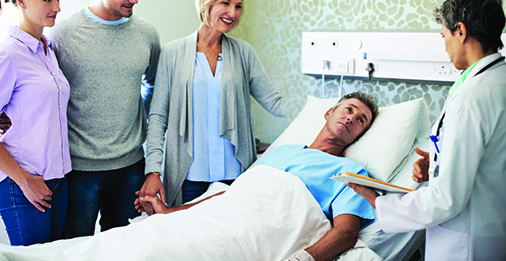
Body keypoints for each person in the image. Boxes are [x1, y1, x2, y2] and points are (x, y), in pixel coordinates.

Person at [350, 0, 506, 260]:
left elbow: (447, 200)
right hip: (491, 230)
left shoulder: (472, 97)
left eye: (444, 36)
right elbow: (491, 159)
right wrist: (437, 165)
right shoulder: (497, 81)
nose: (445, 46)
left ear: (461, 31)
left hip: (465, 243)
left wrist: (380, 203)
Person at [137, 92, 379, 261]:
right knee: (146, 245)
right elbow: (233, 194)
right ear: (328, 113)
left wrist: (303, 259)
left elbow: (346, 233)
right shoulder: (283, 150)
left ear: (360, 135)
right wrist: (169, 213)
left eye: (361, 120)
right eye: (349, 109)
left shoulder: (351, 171)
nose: (351, 118)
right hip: (224, 218)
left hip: (258, 233)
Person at [139, 0, 284, 211]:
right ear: (207, 4)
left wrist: (317, 115)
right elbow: (157, 117)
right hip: (189, 177)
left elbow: (274, 102)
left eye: (238, 6)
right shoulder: (172, 53)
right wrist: (153, 170)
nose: (233, 13)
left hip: (235, 174)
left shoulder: (243, 53)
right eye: (225, 3)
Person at [47, 0, 161, 237]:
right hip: (79, 169)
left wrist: (139, 124)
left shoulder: (147, 34)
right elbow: (45, 92)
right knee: (76, 249)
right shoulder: (64, 34)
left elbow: (155, 86)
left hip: (131, 166)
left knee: (126, 249)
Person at [0, 0, 70, 245]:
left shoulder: (48, 50)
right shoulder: (7, 55)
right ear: (20, 1)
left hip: (57, 181)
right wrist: (24, 180)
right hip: (22, 186)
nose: (57, 7)